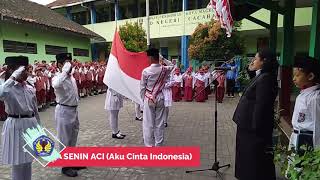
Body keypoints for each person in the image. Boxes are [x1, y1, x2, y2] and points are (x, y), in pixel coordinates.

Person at [232, 48, 278, 180]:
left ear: (264, 61)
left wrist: (255, 128)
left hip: (253, 126)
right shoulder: (262, 76)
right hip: (248, 123)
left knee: (252, 157)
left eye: (256, 59)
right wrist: (250, 68)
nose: (253, 61)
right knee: (246, 156)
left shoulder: (266, 78)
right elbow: (253, 79)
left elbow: (261, 105)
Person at [0, 56, 40, 180]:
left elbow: (35, 110)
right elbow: (1, 94)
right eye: (23, 71)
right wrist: (13, 77)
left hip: (31, 123)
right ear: (13, 70)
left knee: (28, 160)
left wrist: (39, 128)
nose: (26, 73)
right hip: (16, 124)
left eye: (27, 70)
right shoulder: (8, 87)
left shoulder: (29, 87)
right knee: (18, 162)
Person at [52, 53, 84, 177]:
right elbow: (55, 85)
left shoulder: (71, 77)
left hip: (74, 110)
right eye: (66, 63)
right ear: (60, 64)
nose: (69, 65)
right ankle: (65, 167)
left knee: (73, 138)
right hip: (63, 111)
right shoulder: (57, 77)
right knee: (64, 140)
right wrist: (64, 72)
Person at [140, 48, 174, 147]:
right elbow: (172, 65)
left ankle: (149, 146)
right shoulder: (165, 69)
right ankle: (159, 145)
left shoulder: (146, 71)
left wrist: (143, 102)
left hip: (149, 98)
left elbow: (142, 88)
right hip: (160, 97)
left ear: (150, 57)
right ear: (158, 57)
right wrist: (162, 59)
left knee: (148, 124)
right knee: (159, 123)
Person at [289, 56, 320, 155]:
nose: (294, 79)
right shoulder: (302, 95)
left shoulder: (315, 98)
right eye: (293, 75)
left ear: (310, 76)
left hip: (307, 141)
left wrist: (317, 153)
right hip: (296, 137)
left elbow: (317, 126)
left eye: (297, 75)